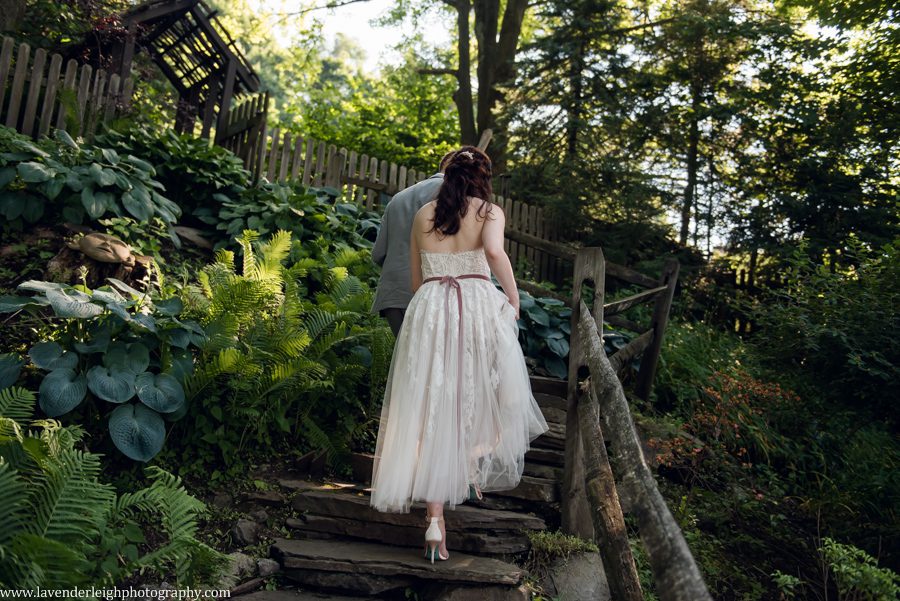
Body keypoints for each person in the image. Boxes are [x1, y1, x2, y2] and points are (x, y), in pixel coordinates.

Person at [369, 146, 549, 563]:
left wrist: (437, 299)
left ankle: (435, 521)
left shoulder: (422, 215)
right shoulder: (489, 212)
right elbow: (494, 254)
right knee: (484, 389)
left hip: (430, 307)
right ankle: (469, 465)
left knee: (434, 402)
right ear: (483, 178)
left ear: (445, 176)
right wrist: (513, 298)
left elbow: (416, 282)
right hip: (475, 305)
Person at [371, 151, 455, 337]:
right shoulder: (454, 194)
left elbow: (378, 254)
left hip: (392, 293)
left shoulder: (398, 198)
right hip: (432, 292)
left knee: (405, 353)